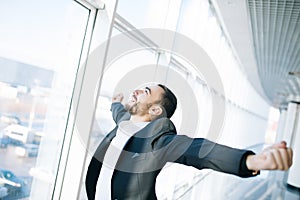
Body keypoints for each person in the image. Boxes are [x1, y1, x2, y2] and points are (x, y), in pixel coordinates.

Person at [86, 83, 293, 200]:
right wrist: (115, 102)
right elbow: (118, 113)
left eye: (145, 92)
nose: (137, 90)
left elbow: (201, 152)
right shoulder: (124, 122)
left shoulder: (158, 139)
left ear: (155, 110)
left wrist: (250, 161)